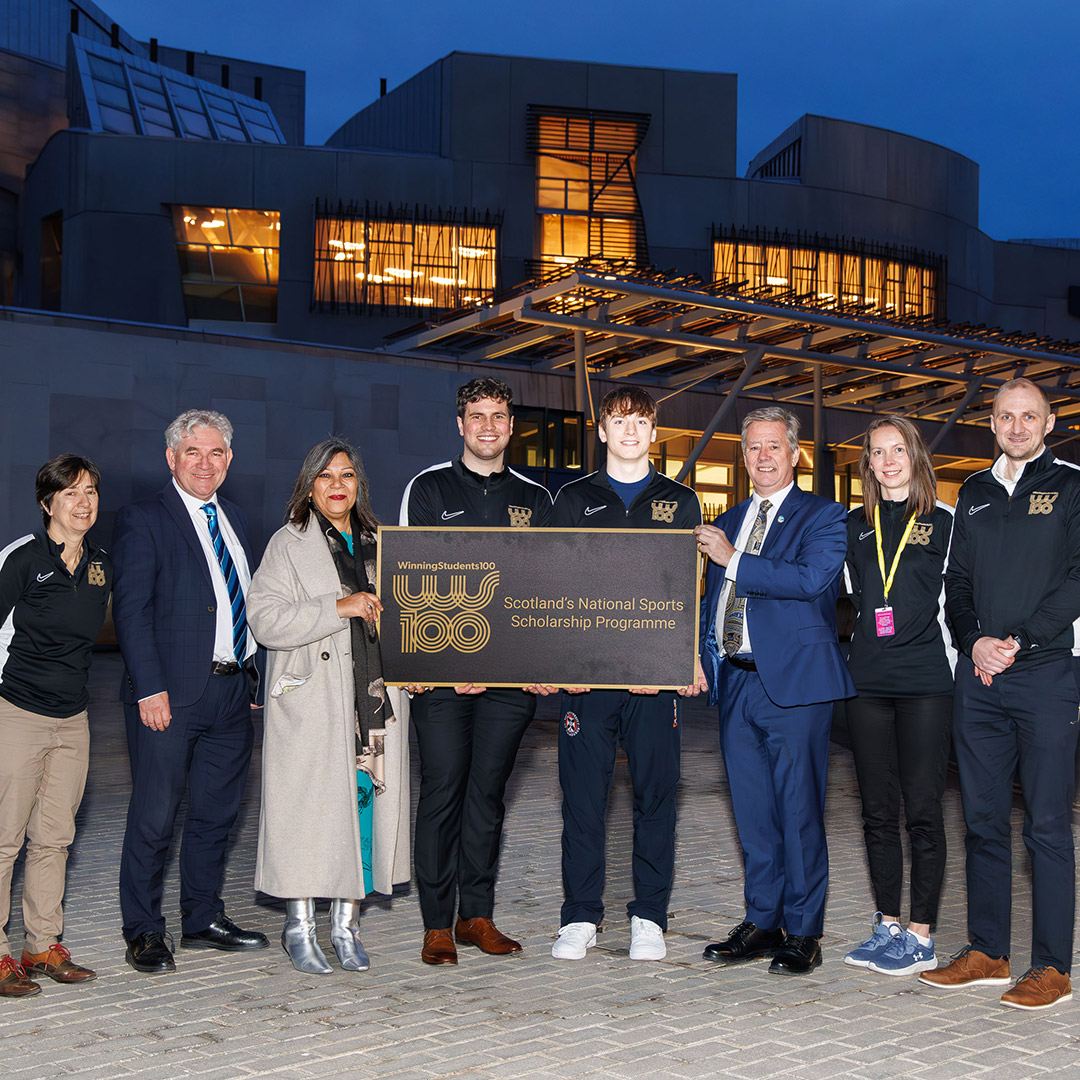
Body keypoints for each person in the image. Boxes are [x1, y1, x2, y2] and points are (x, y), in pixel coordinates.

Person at [921, 378, 1080, 1010]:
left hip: (1044, 674)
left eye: (1029, 417)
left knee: (1045, 825)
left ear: (1049, 423)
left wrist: (1015, 639)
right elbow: (956, 581)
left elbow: (1078, 578)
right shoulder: (975, 492)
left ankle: (1052, 967)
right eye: (1006, 416)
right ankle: (988, 951)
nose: (1017, 426)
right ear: (991, 423)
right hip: (980, 678)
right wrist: (972, 641)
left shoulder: (1070, 486)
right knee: (982, 819)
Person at [399, 376, 552, 965]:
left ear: (512, 427)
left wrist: (543, 660)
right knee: (443, 792)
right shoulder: (429, 488)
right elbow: (415, 578)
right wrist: (434, 661)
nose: (488, 426)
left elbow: (545, 589)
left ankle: (476, 916)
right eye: (477, 416)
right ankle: (437, 924)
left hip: (511, 681)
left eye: (498, 416)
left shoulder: (535, 498)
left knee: (487, 797)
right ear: (459, 425)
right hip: (443, 677)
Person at [548, 386, 704, 963]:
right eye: (620, 421)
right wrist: (563, 662)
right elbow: (552, 587)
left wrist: (681, 658)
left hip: (653, 679)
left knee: (655, 798)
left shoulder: (682, 501)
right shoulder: (571, 499)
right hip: (587, 679)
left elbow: (688, 591)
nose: (631, 431)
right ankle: (581, 917)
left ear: (654, 432)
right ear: (603, 431)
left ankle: (649, 917)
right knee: (582, 801)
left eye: (641, 421)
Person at [695, 406, 853, 975]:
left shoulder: (825, 515)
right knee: (754, 812)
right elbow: (714, 600)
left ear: (794, 454)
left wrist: (734, 558)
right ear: (743, 457)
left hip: (795, 687)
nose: (762, 457)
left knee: (799, 810)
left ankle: (805, 931)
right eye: (753, 448)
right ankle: (763, 920)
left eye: (772, 447)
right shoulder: (732, 517)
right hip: (736, 683)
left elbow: (810, 580)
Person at [112, 409, 269, 974]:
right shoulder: (143, 518)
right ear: (171, 458)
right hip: (169, 697)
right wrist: (148, 688)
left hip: (230, 694)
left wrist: (253, 673)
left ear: (229, 460)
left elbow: (243, 603)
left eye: (216, 453)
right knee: (155, 816)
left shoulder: (236, 519)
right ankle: (143, 930)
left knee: (216, 815)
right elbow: (130, 611)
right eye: (193, 453)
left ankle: (201, 917)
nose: (205, 463)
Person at [248, 438, 410, 973]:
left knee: (362, 816)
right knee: (307, 817)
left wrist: (422, 666)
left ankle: (346, 926)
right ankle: (299, 926)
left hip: (375, 703)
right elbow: (265, 619)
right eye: (326, 476)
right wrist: (336, 606)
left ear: (358, 484)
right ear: (309, 485)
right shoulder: (287, 543)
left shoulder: (382, 543)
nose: (337, 485)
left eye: (347, 475)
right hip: (313, 701)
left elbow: (415, 616)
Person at [841, 417, 955, 977]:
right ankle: (887, 923)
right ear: (867, 462)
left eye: (898, 450)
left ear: (915, 455)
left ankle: (922, 935)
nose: (888, 461)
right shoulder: (853, 526)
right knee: (876, 811)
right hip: (866, 683)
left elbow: (960, 601)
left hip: (926, 683)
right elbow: (853, 595)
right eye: (877, 452)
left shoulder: (946, 523)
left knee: (924, 811)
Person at [0, 456, 111, 997]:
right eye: (71, 493)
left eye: (90, 491)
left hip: (74, 720)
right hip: (16, 713)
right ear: (48, 502)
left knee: (54, 838)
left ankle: (41, 944)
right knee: (3, 840)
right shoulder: (21, 561)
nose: (83, 502)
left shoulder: (100, 564)